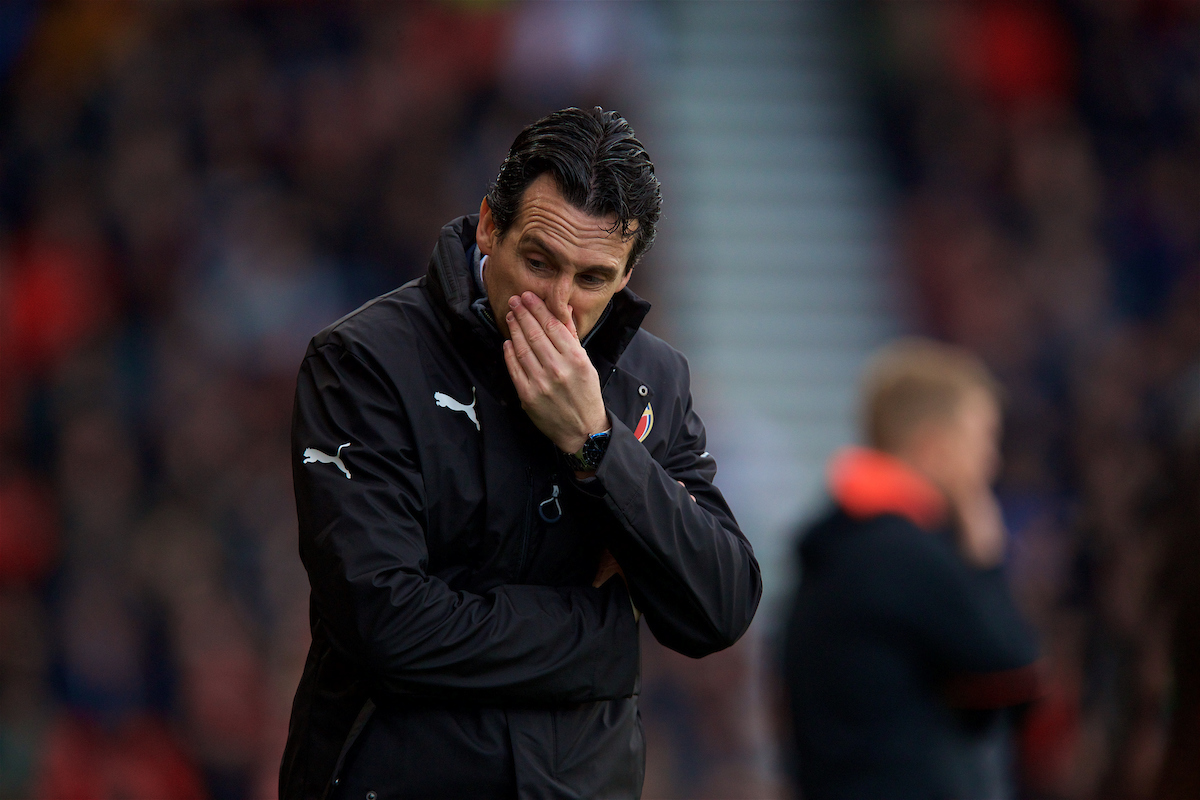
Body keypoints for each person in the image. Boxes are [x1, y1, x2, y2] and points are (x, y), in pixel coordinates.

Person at [279, 107, 762, 799]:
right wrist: (601, 637)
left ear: (628, 275)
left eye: (593, 278)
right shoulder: (364, 363)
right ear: (488, 225)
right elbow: (386, 625)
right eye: (539, 262)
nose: (559, 303)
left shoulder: (650, 381)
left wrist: (597, 446)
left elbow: (719, 606)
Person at [781, 338, 1041, 800]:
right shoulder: (907, 555)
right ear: (933, 446)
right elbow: (1014, 674)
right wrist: (985, 562)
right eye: (982, 440)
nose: (992, 462)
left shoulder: (835, 539)